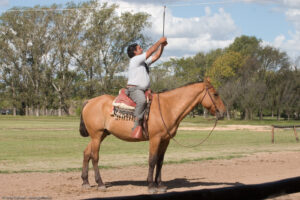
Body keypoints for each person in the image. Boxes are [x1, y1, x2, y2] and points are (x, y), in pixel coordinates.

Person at [126, 37, 168, 139]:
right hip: (135, 89)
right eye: (139, 48)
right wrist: (159, 41)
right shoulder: (135, 59)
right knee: (142, 101)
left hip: (144, 90)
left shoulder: (143, 63)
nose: (141, 49)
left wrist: (162, 46)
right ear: (135, 52)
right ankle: (136, 125)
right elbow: (150, 52)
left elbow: (156, 56)